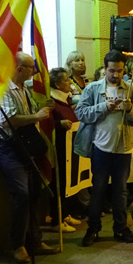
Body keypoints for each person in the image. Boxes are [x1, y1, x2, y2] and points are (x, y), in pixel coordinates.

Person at [0, 52, 59, 263]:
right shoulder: (4, 90)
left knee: (35, 190)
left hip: (24, 145)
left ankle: (34, 240)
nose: (34, 71)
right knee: (22, 192)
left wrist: (42, 109)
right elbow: (10, 119)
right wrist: (36, 116)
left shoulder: (24, 90)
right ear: (19, 68)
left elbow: (27, 115)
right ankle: (16, 244)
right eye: (30, 67)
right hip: (7, 146)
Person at [75, 50, 133, 246]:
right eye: (112, 71)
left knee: (121, 191)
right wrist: (103, 107)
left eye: (120, 71)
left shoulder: (131, 89)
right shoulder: (93, 89)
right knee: (98, 189)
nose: (116, 75)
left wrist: (130, 108)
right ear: (105, 69)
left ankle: (120, 227)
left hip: (124, 147)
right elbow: (81, 113)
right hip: (101, 146)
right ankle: (93, 228)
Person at [42, 67, 83, 231]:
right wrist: (59, 124)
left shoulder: (66, 100)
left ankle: (65, 213)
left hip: (69, 148)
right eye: (66, 80)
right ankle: (56, 219)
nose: (70, 83)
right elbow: (46, 123)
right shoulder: (52, 102)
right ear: (57, 85)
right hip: (57, 149)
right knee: (58, 182)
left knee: (68, 181)